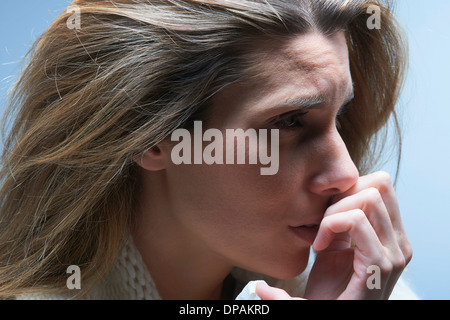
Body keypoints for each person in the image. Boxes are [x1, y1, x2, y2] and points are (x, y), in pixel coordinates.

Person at [0, 0, 417, 300]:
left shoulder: (360, 281)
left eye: (339, 116)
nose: (346, 173)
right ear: (152, 133)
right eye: (288, 122)